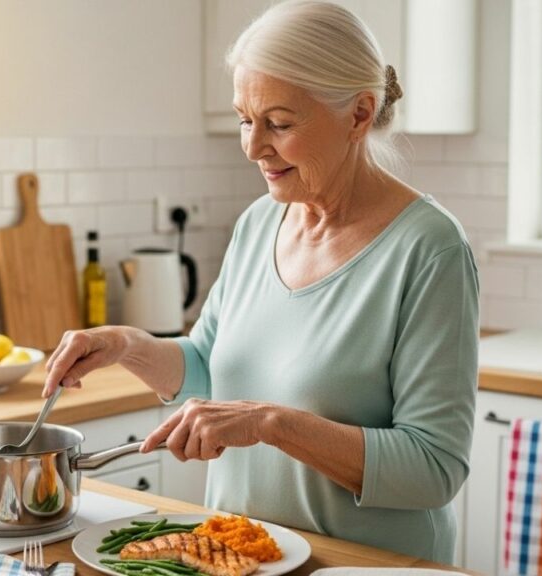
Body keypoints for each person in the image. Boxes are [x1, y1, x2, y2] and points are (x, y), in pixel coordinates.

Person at [43, 0, 478, 564]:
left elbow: (434, 468)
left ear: (359, 114)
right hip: (239, 559)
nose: (252, 146)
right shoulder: (258, 223)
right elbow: (208, 366)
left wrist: (270, 423)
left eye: (279, 123)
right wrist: (126, 345)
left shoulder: (429, 249)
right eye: (246, 119)